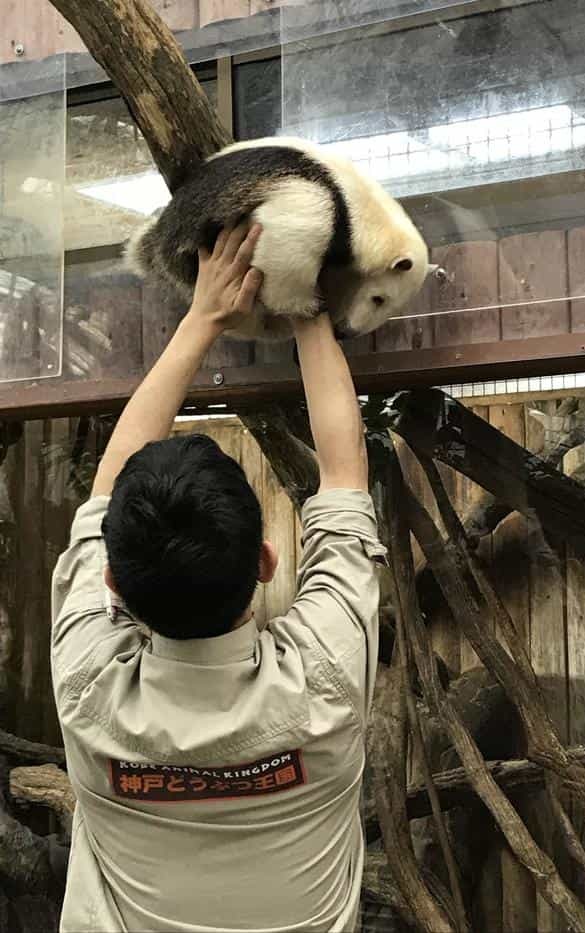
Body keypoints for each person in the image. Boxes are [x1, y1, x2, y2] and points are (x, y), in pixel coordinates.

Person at [51, 224, 386, 933]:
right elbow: (347, 471)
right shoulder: (325, 680)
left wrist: (205, 317)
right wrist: (294, 293)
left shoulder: (87, 687)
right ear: (266, 563)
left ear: (112, 578)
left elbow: (104, 488)